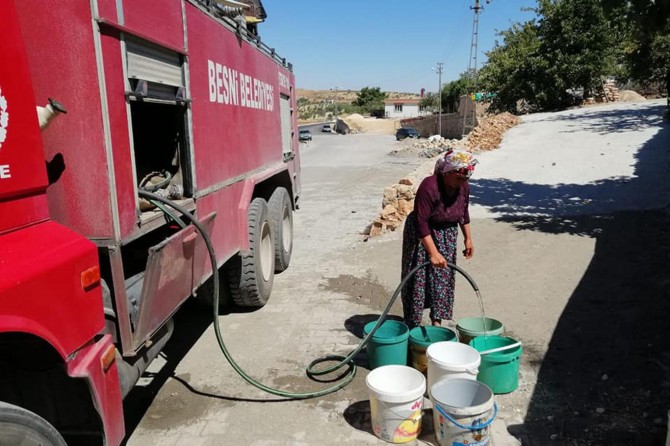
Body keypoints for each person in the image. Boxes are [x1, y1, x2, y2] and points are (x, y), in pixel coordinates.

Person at [401, 149, 478, 329]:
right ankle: (412, 324)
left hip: (447, 234)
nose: (463, 182)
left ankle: (437, 323)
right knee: (418, 277)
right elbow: (421, 222)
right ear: (447, 172)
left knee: (442, 278)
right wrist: (433, 252)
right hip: (422, 235)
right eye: (459, 178)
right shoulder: (429, 186)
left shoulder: (464, 186)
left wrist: (468, 238)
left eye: (466, 179)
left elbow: (464, 212)